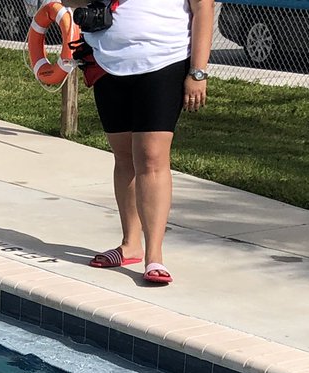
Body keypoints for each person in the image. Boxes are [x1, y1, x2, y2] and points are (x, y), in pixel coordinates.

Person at [79, 0, 214, 286]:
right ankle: (130, 245)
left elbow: (203, 8)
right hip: (107, 61)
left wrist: (198, 71)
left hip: (164, 60)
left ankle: (154, 256)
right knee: (123, 156)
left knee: (151, 158)